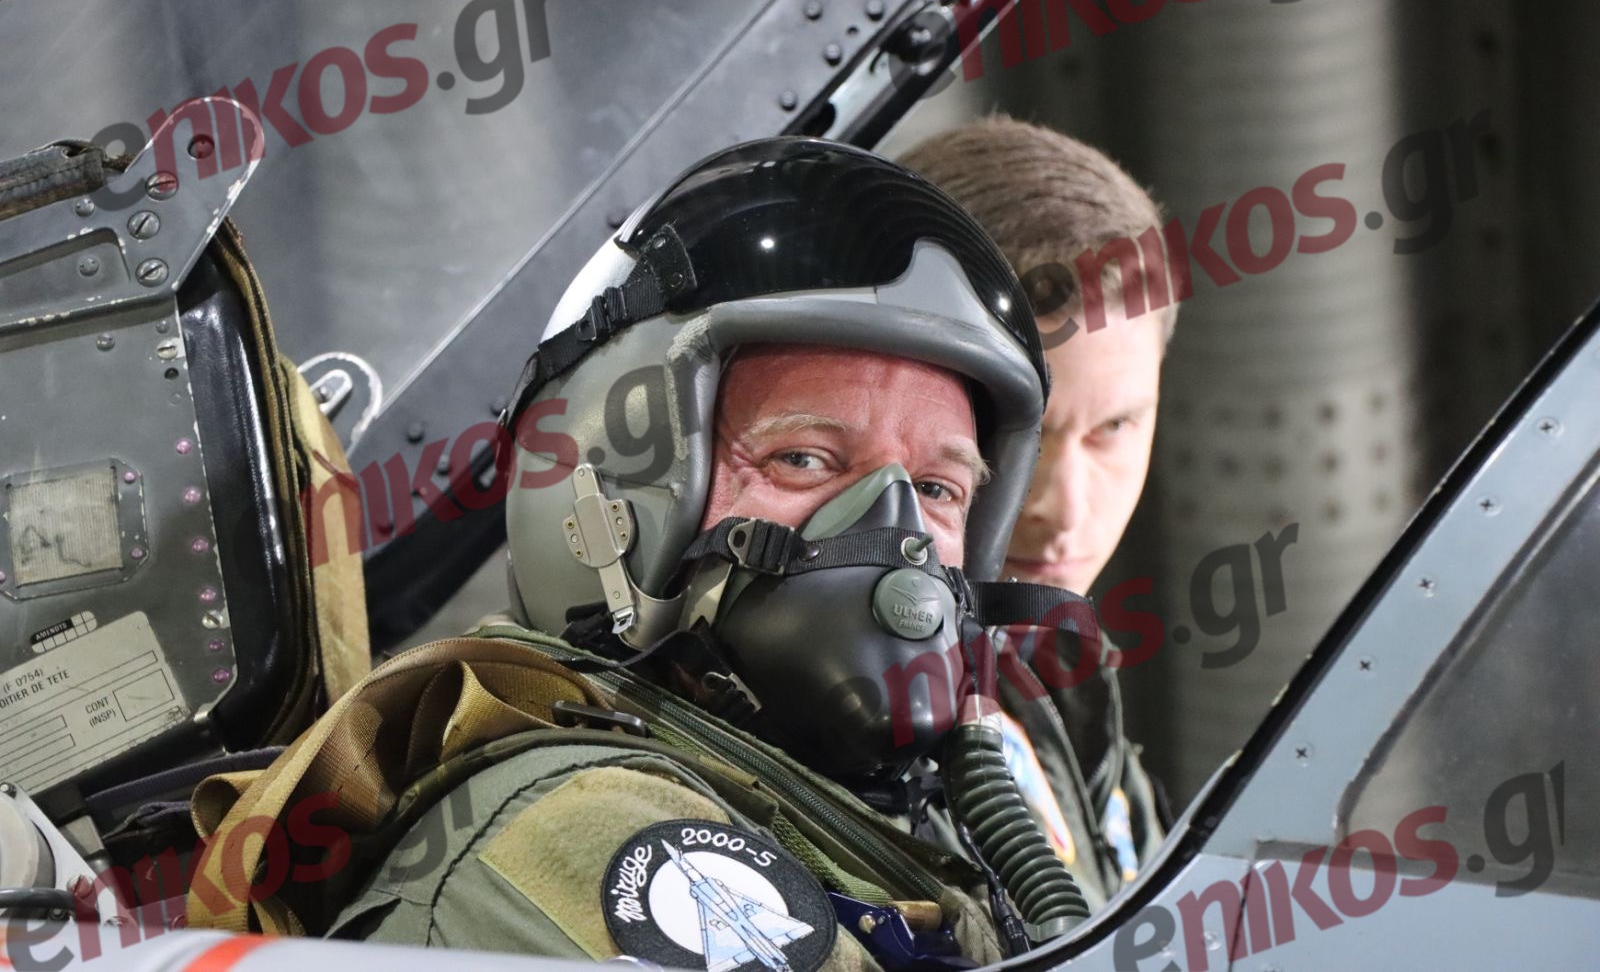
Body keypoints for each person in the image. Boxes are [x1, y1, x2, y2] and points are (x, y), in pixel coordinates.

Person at [182, 138, 1135, 968]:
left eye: (936, 489)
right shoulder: (591, 840)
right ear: (604, 499)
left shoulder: (919, 807)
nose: (895, 540)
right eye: (803, 459)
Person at [898, 115, 1173, 897]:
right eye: (1019, 437)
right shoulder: (849, 747)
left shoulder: (1059, 682)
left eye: (1114, 428)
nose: (1064, 507)